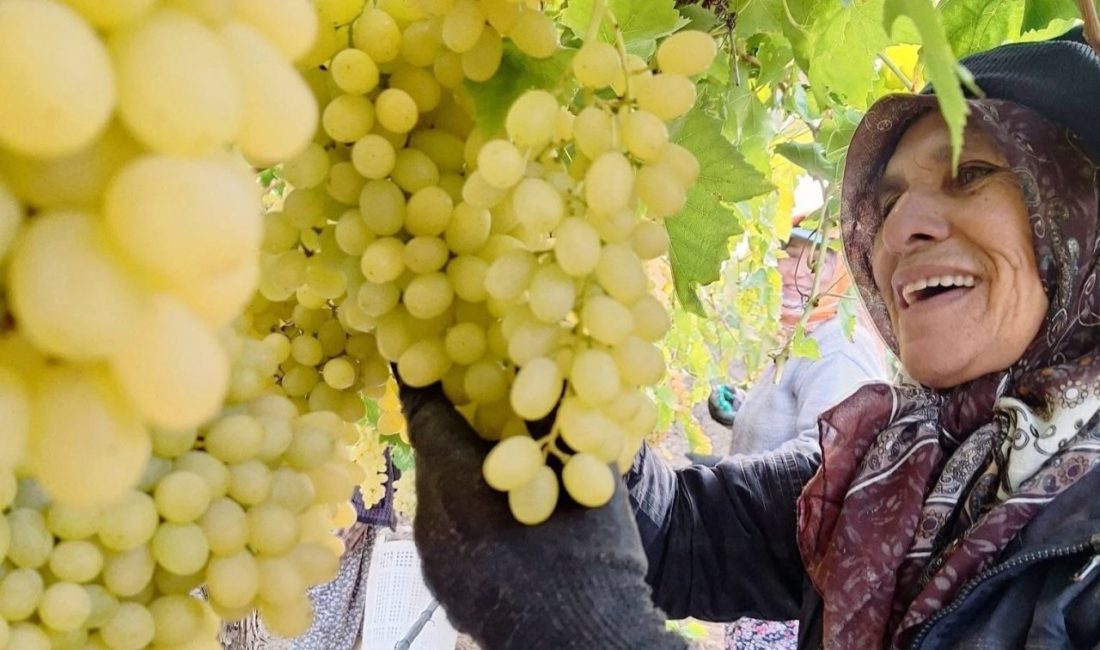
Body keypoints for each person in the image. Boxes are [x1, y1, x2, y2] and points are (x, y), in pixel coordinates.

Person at [398, 27, 1100, 650]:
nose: (897, 229)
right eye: (886, 203)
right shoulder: (887, 469)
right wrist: (563, 418)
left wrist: (593, 630)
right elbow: (683, 535)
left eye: (971, 173)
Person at [719, 224, 888, 648]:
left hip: (781, 592)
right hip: (755, 570)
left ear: (840, 275)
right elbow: (801, 419)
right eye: (785, 255)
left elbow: (823, 459)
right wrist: (741, 412)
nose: (791, 272)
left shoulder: (839, 349)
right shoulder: (807, 338)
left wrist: (717, 485)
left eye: (813, 262)